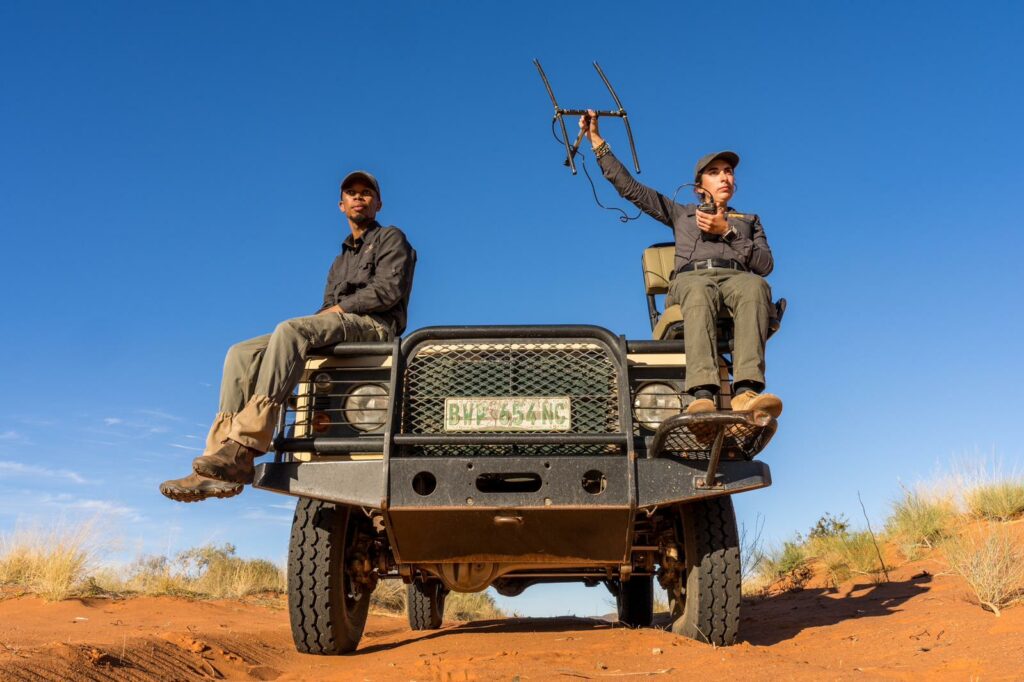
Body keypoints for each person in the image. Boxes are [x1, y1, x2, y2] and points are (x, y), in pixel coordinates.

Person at [160, 170, 416, 502]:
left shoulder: (391, 239)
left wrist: (336, 312)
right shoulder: (340, 261)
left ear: (378, 204)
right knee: (241, 352)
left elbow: (388, 291)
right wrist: (328, 315)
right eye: (351, 193)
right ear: (340, 205)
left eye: (366, 193)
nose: (358, 197)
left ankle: (244, 446)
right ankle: (217, 459)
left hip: (374, 326)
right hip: (341, 325)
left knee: (291, 329)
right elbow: (327, 307)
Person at [580, 112, 781, 418]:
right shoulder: (681, 214)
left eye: (728, 172)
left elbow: (765, 264)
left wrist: (725, 230)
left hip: (737, 279)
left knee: (756, 286)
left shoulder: (748, 221)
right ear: (699, 187)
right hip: (692, 280)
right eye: (715, 172)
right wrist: (597, 141)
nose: (725, 177)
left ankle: (746, 392)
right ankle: (702, 393)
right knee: (699, 292)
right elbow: (629, 188)